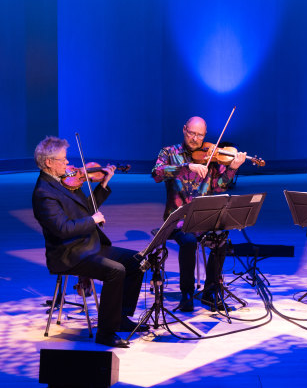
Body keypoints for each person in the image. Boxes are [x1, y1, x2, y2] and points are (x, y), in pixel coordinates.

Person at [32, 136, 147, 348]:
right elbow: (62, 229)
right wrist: (92, 220)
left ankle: (121, 317)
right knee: (116, 271)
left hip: (87, 245)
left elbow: (85, 208)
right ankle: (106, 332)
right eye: (63, 160)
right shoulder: (43, 193)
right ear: (48, 162)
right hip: (69, 254)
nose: (68, 164)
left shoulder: (62, 183)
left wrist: (102, 185)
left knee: (136, 261)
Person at [152, 116, 246, 312]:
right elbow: (156, 174)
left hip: (203, 217)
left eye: (200, 135)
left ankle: (210, 291)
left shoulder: (211, 156)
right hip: (176, 219)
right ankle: (186, 293)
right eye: (192, 133)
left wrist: (232, 169)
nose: (195, 139)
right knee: (188, 241)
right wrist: (186, 167)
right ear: (184, 129)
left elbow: (219, 187)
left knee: (221, 236)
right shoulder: (169, 152)